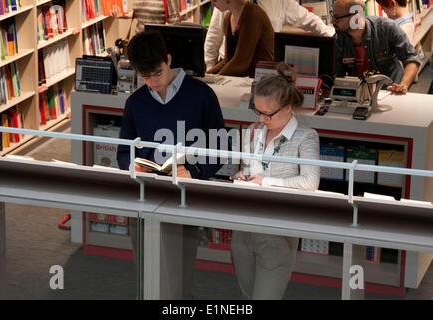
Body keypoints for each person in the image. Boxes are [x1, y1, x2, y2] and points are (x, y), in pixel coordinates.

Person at [116, 30, 226, 298]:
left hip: (183, 194)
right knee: (146, 269)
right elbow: (123, 151)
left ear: (168, 59)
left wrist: (195, 171)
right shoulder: (135, 102)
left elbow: (222, 148)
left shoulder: (201, 95)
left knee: (180, 270)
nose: (152, 82)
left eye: (157, 73)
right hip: (146, 193)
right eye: (145, 76)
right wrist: (132, 166)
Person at [231, 62, 320, 299]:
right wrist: (243, 176)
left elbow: (310, 182)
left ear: (288, 108)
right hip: (244, 228)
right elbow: (248, 170)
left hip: (279, 230)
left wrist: (265, 181)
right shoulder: (252, 131)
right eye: (257, 111)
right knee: (247, 297)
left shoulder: (306, 137)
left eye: (267, 114)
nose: (261, 119)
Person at [205, 0, 335, 70]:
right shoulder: (226, 4)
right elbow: (213, 36)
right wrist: (209, 69)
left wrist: (336, 37)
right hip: (227, 66)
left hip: (262, 68)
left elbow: (311, 21)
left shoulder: (280, 2)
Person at [332, 0, 420, 95]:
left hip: (390, 92)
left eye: (337, 18)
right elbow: (336, 75)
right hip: (359, 95)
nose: (332, 21)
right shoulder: (338, 40)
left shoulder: (387, 28)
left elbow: (411, 59)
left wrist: (403, 85)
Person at [206, 0, 275, 78]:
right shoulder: (228, 18)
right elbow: (227, 61)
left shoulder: (253, 14)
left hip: (260, 80)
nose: (212, 4)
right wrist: (206, 76)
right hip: (242, 78)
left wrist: (214, 80)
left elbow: (241, 62)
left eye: (214, 0)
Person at [109, 0, 180, 34]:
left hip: (157, 46)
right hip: (139, 42)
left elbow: (174, 23)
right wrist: (122, 15)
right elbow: (139, 12)